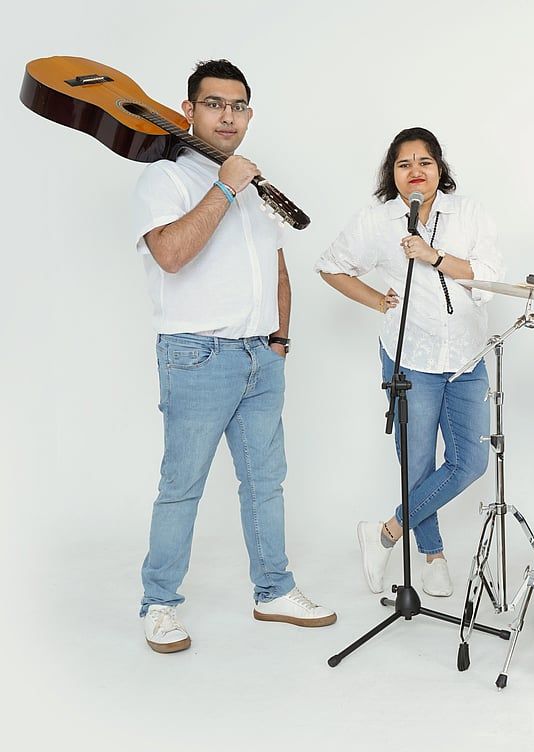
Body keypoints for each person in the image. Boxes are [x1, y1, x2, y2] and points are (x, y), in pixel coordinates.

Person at [134, 59, 335, 654]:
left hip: (260, 357)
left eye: (238, 106)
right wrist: (224, 187)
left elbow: (277, 270)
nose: (228, 116)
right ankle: (160, 603)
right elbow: (171, 255)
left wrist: (279, 342)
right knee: (182, 486)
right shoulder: (165, 180)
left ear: (249, 114)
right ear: (189, 110)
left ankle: (273, 590)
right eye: (215, 104)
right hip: (196, 354)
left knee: (265, 482)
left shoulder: (256, 189)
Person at [317, 127, 502, 598]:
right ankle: (433, 555)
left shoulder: (469, 213)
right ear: (392, 173)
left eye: (424, 162)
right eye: (404, 164)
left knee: (470, 462)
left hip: (466, 358)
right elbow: (331, 265)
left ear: (439, 167)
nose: (415, 171)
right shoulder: (376, 220)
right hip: (411, 357)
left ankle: (385, 532)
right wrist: (378, 301)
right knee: (416, 464)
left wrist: (434, 256)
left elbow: (490, 277)